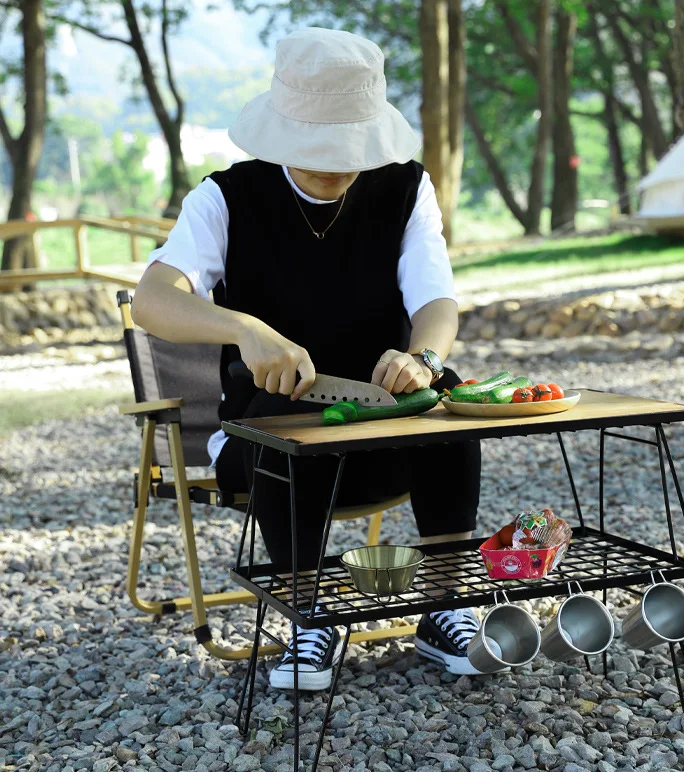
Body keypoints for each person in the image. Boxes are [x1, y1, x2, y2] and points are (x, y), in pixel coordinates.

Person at [131, 27, 485, 691]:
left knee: (446, 395)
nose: (333, 160)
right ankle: (310, 615)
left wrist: (425, 356)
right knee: (280, 413)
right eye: (317, 142)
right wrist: (242, 328)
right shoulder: (224, 198)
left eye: (348, 143)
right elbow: (153, 301)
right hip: (266, 447)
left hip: (382, 441)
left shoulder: (406, 190)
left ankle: (445, 606)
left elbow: (437, 301)